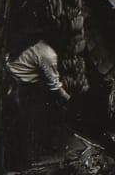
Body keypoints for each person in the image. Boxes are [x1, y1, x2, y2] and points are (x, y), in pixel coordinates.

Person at [6, 28, 71, 165]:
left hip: (12, 79)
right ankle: (21, 161)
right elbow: (55, 86)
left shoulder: (37, 44)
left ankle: (20, 158)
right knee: (24, 124)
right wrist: (69, 99)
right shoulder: (48, 54)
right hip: (20, 86)